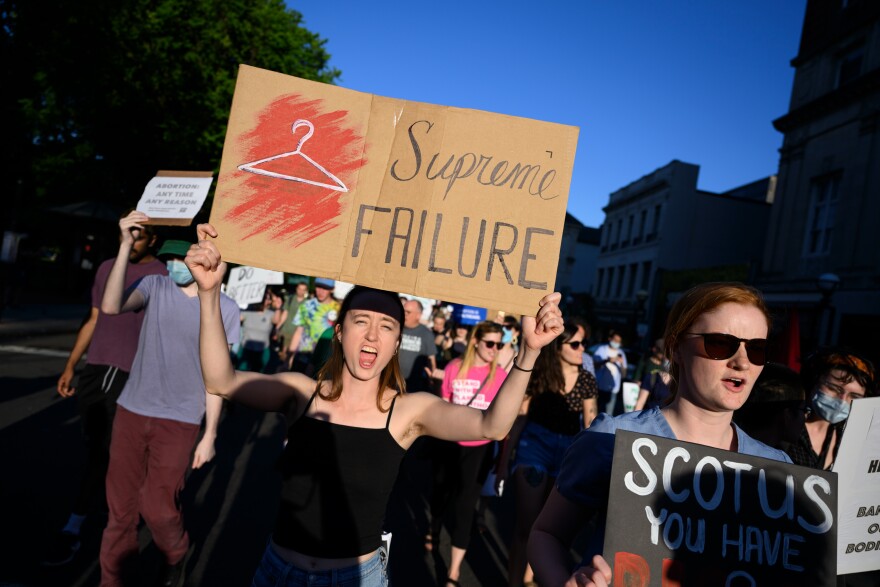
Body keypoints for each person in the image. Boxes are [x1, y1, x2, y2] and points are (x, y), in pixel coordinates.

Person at [184, 222, 564, 587]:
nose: (371, 335)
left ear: (397, 342)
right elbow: (221, 381)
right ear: (339, 332)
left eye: (386, 326)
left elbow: (491, 426)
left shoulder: (409, 412)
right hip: (278, 572)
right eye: (361, 321)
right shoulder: (301, 393)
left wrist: (529, 352)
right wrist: (208, 292)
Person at [529, 282, 792, 587]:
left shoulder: (775, 469)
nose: (742, 362)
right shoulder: (612, 438)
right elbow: (546, 534)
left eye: (757, 349)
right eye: (720, 344)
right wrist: (564, 581)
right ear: (676, 348)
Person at [98, 212, 240, 587]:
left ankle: (176, 553)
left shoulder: (227, 309)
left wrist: (209, 435)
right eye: (172, 260)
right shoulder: (154, 286)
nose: (177, 265)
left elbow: (217, 381)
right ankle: (111, 580)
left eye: (184, 258)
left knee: (158, 509)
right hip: (131, 410)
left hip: (179, 420)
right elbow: (110, 307)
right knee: (119, 511)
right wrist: (126, 244)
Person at [42, 218, 166, 567]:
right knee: (97, 448)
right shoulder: (108, 267)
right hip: (96, 371)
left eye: (141, 235)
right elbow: (95, 317)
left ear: (154, 240)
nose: (134, 239)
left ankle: (76, 528)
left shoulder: (163, 275)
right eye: (129, 232)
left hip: (131, 373)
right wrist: (71, 365)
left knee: (104, 452)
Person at [497, 322, 598, 587]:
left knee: (548, 528)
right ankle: (514, 582)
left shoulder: (587, 378)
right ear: (559, 347)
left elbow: (591, 423)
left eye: (583, 343)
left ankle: (530, 578)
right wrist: (503, 461)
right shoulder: (540, 372)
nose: (582, 349)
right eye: (575, 344)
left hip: (568, 452)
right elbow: (520, 417)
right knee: (526, 527)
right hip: (535, 446)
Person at [426, 321, 508, 587]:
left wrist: (503, 457)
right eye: (490, 343)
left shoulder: (500, 377)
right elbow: (443, 406)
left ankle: (454, 572)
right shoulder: (453, 368)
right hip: (448, 442)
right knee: (439, 493)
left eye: (500, 344)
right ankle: (434, 527)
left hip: (480, 448)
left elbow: (504, 421)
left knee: (464, 507)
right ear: (476, 341)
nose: (495, 349)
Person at [787, 349, 875, 470]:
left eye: (854, 396)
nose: (843, 400)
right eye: (834, 388)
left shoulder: (851, 441)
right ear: (814, 382)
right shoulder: (783, 427)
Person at [286, 277, 339, 374]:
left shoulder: (338, 309)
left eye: (325, 288)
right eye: (318, 287)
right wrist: (290, 357)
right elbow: (298, 332)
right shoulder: (305, 306)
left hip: (324, 360)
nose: (321, 291)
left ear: (332, 289)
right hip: (302, 357)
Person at [399, 298, 438, 391]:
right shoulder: (396, 328)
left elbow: (431, 359)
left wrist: (432, 378)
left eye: (408, 312)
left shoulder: (426, 333)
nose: (404, 315)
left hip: (413, 387)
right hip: (391, 382)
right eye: (403, 311)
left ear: (418, 315)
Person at [592, 331, 627, 415]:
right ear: (610, 339)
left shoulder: (621, 353)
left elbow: (624, 374)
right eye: (615, 340)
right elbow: (594, 365)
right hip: (599, 387)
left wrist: (622, 364)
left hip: (613, 389)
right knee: (596, 412)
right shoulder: (602, 349)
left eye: (618, 341)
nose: (616, 343)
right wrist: (607, 360)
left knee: (608, 414)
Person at [276, 281, 309, 367]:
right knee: (283, 354)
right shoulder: (290, 299)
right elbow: (285, 314)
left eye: (303, 289)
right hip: (287, 330)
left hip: (298, 333)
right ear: (296, 289)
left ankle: (287, 370)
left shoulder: (308, 303)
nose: (301, 291)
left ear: (306, 291)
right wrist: (278, 326)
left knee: (291, 355)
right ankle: (281, 370)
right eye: (299, 289)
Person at [634, 339, 671, 411]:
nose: (662, 355)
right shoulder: (645, 361)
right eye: (661, 353)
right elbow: (637, 378)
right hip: (644, 396)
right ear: (654, 350)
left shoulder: (664, 366)